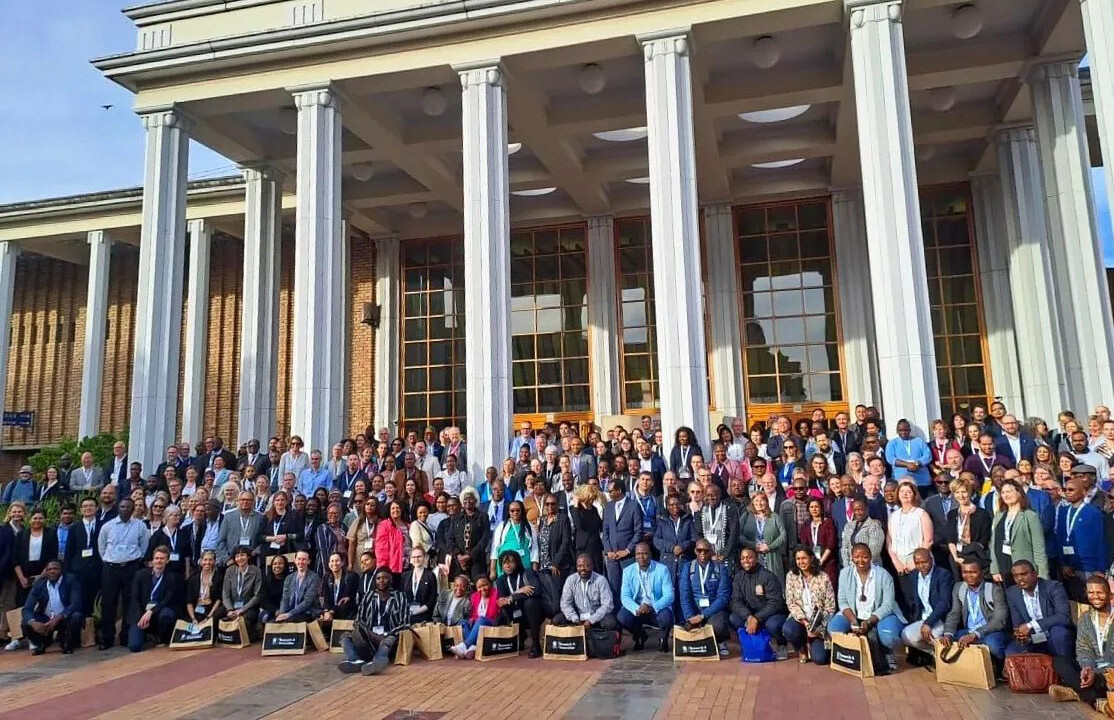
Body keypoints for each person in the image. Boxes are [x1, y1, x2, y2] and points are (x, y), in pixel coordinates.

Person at [830, 543, 906, 674]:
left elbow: (888, 605)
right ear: (851, 558)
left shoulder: (884, 575)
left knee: (889, 636)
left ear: (871, 557)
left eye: (865, 557)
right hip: (854, 614)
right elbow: (842, 602)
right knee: (833, 629)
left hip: (879, 614)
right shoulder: (844, 573)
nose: (861, 561)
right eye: (856, 557)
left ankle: (887, 653)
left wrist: (870, 621)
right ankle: (853, 653)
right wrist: (853, 621)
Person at [1048, 576, 1114, 712]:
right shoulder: (1085, 618)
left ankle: (1078, 693)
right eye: (1091, 592)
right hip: (1094, 672)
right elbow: (1083, 649)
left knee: (1106, 679)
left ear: (1110, 595)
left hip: (1110, 672)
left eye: (1100, 592)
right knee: (1060, 661)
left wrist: (1098, 673)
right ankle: (1098, 701)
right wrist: (1087, 669)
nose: (1095, 596)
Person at [96, 498, 149, 650]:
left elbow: (144, 547)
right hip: (111, 568)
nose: (124, 509)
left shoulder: (140, 527)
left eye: (127, 507)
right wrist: (110, 560)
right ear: (118, 508)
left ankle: (126, 636)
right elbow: (102, 547)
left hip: (131, 568)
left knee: (129, 602)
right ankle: (107, 638)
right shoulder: (108, 526)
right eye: (122, 506)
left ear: (133, 510)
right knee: (108, 603)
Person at [338, 567, 410, 675]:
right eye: (378, 578)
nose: (381, 581)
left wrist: (386, 634)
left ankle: (376, 662)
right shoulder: (368, 596)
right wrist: (371, 635)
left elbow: (405, 623)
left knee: (388, 641)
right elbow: (358, 620)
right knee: (345, 637)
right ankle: (355, 660)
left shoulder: (400, 597)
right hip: (370, 636)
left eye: (385, 578)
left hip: (390, 636)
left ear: (391, 579)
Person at [940, 558, 1009, 669]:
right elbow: (954, 613)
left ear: (981, 573)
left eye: (973, 572)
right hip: (968, 631)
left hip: (989, 632)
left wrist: (975, 634)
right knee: (947, 640)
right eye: (965, 572)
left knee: (993, 645)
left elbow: (999, 620)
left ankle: (1000, 667)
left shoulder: (994, 590)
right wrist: (948, 634)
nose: (969, 576)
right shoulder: (959, 588)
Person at [728, 546, 789, 659]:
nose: (746, 561)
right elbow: (735, 601)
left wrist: (757, 618)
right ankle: (752, 643)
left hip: (769, 615)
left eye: (749, 557)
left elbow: (776, 602)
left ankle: (781, 644)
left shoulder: (768, 576)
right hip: (750, 615)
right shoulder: (738, 577)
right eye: (743, 558)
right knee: (733, 618)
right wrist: (749, 616)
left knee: (774, 624)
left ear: (756, 559)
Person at [1004, 559, 1072, 657]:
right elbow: (1018, 623)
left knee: (1060, 633)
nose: (1020, 579)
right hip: (1033, 637)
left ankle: (1064, 667)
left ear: (1035, 573)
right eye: (1016, 576)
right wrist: (1021, 633)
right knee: (1011, 652)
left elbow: (1064, 617)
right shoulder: (1012, 593)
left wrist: (1031, 625)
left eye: (1024, 574)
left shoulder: (1054, 587)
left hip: (1052, 632)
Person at [1057, 474, 1110, 601]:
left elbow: (1101, 541)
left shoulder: (1093, 512)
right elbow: (1060, 538)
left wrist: (1101, 569)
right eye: (1065, 490)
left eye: (1071, 490)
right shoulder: (1063, 511)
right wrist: (1064, 563)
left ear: (1084, 492)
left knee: (1091, 600)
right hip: (1069, 567)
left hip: (1089, 567)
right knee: (1075, 601)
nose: (1067, 493)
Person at [679, 539, 732, 657]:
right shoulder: (688, 568)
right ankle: (700, 643)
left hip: (714, 609)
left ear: (711, 552)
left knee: (718, 625)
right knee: (687, 627)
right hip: (695, 609)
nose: (703, 553)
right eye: (699, 550)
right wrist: (690, 617)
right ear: (695, 551)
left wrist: (703, 615)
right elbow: (684, 595)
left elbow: (723, 597)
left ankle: (720, 641)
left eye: (706, 551)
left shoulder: (720, 569)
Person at [899, 548, 954, 662]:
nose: (921, 566)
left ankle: (946, 656)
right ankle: (935, 653)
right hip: (922, 619)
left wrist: (929, 622)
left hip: (939, 619)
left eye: (924, 562)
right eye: (917, 563)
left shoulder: (943, 575)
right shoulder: (914, 575)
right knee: (906, 635)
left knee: (934, 636)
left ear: (931, 559)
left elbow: (945, 603)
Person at [989, 479, 1048, 584]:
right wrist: (994, 569)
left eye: (1009, 491)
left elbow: (1039, 548)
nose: (1006, 495)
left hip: (1024, 570)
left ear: (1019, 493)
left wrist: (1042, 576)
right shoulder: (998, 516)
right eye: (1003, 492)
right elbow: (993, 544)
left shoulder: (1030, 516)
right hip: (1004, 568)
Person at [618, 542, 674, 652]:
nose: (641, 557)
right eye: (638, 554)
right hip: (638, 608)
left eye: (645, 554)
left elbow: (669, 595)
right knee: (622, 617)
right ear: (635, 556)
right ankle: (639, 635)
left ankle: (663, 638)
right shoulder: (628, 571)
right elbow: (625, 596)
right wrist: (636, 608)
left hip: (656, 607)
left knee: (667, 617)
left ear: (650, 555)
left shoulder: (662, 569)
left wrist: (652, 607)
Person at [784, 547, 837, 664]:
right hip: (800, 619)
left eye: (804, 558)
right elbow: (791, 602)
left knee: (820, 659)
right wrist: (804, 621)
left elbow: (830, 607)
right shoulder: (791, 576)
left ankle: (813, 643)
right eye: (798, 559)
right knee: (788, 630)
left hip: (819, 623)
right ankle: (801, 646)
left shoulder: (823, 577)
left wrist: (817, 628)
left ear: (811, 558)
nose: (801, 562)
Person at [20, 560, 83, 655]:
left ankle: (67, 643)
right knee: (25, 622)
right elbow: (27, 608)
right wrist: (33, 623)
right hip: (46, 617)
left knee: (76, 616)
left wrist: (59, 617)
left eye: (55, 569)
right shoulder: (39, 585)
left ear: (61, 570)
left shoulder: (71, 580)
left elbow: (76, 603)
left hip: (64, 617)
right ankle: (41, 644)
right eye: (49, 569)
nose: (52, 571)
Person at [127, 545, 181, 651]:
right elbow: (135, 597)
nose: (159, 561)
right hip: (141, 613)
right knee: (134, 647)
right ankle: (146, 635)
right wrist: (142, 616)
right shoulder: (140, 575)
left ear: (167, 560)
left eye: (162, 558)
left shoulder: (172, 577)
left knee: (167, 614)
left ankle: (159, 635)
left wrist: (150, 612)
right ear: (152, 560)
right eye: (157, 558)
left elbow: (167, 599)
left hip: (158, 611)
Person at [494, 550, 545, 658]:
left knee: (531, 603)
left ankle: (536, 645)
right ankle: (518, 636)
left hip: (533, 612)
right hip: (515, 612)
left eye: (511, 562)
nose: (507, 565)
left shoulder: (527, 573)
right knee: (504, 607)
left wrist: (512, 597)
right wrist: (518, 592)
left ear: (517, 563)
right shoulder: (501, 580)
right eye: (504, 563)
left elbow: (535, 591)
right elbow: (503, 600)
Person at [602, 479, 642, 601]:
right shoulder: (608, 507)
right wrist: (609, 551)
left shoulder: (633, 506)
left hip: (628, 557)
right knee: (614, 588)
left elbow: (638, 531)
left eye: (611, 491)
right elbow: (605, 531)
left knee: (629, 589)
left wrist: (627, 550)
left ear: (619, 491)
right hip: (612, 557)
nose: (608, 494)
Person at [555, 554, 618, 630]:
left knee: (610, 623)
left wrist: (591, 620)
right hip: (577, 616)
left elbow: (607, 605)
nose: (583, 569)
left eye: (586, 566)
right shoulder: (571, 580)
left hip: (596, 616)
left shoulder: (601, 580)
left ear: (592, 566)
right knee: (557, 621)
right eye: (580, 566)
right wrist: (575, 618)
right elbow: (565, 603)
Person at [64, 497, 102, 618]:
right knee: (79, 600)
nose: (88, 508)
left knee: (95, 601)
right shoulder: (74, 527)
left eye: (91, 505)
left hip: (97, 569)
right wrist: (68, 571)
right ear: (81, 510)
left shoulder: (103, 526)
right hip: (78, 570)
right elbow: (69, 551)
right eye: (85, 506)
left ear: (96, 508)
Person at [945, 478, 991, 577]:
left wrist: (966, 554)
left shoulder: (982, 514)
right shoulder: (952, 514)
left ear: (969, 492)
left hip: (975, 556)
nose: (960, 495)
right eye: (957, 492)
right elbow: (951, 539)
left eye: (963, 492)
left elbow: (984, 539)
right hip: (956, 557)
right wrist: (956, 557)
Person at [14, 508, 59, 606]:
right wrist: (21, 578)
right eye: (35, 518)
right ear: (29, 519)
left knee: (42, 604)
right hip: (24, 574)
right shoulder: (21, 534)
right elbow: (15, 559)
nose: (37, 521)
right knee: (23, 604)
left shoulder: (51, 534)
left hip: (44, 573)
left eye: (40, 518)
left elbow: (53, 557)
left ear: (45, 520)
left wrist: (41, 576)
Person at [739, 492, 785, 579]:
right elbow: (739, 534)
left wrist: (770, 547)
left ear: (766, 502)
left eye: (762, 500)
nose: (759, 503)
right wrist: (753, 545)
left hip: (772, 555)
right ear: (752, 502)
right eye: (756, 500)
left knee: (773, 581)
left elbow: (783, 535)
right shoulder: (746, 516)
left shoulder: (774, 516)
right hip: (752, 554)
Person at [453, 575, 501, 659]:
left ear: (490, 584)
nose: (483, 589)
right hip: (478, 623)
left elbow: (494, 614)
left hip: (492, 622)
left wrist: (478, 620)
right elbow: (474, 614)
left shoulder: (496, 593)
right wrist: (472, 620)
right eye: (479, 587)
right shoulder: (474, 596)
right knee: (463, 622)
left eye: (485, 585)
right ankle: (472, 647)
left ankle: (465, 645)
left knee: (481, 619)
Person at [447, 488, 489, 581]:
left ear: (476, 500)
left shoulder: (483, 517)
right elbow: (450, 539)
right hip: (459, 560)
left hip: (477, 559)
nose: (468, 501)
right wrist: (459, 555)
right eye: (465, 499)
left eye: (470, 498)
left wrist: (470, 555)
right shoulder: (456, 518)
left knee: (477, 585)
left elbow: (485, 538)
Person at [694, 484, 738, 571]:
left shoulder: (729, 510)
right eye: (708, 495)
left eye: (714, 495)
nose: (711, 498)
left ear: (719, 495)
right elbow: (698, 534)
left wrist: (723, 555)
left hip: (726, 555)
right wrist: (710, 554)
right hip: (707, 555)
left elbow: (734, 534)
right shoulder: (701, 512)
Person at [489, 500, 537, 579]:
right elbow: (495, 549)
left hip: (524, 563)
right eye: (512, 510)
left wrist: (534, 570)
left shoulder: (529, 527)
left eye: (518, 510)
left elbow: (535, 550)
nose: (515, 512)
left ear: (522, 511)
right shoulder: (501, 526)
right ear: (508, 512)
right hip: (505, 564)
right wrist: (493, 570)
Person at [222, 545, 263, 633]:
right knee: (217, 615)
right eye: (237, 556)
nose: (240, 558)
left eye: (242, 555)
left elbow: (258, 595)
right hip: (232, 606)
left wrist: (242, 609)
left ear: (248, 556)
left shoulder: (256, 571)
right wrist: (230, 609)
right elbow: (225, 593)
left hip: (248, 606)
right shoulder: (230, 571)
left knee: (246, 619)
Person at [885, 419, 933, 494]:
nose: (903, 432)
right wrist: (907, 464)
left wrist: (917, 463)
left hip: (922, 481)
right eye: (900, 430)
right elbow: (890, 459)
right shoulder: (892, 443)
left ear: (910, 430)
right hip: (901, 480)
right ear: (897, 431)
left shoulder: (919, 441)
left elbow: (928, 456)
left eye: (906, 430)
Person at [800, 498, 838, 591]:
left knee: (829, 589)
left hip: (828, 562)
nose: (814, 509)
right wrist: (812, 561)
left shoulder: (828, 523)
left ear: (821, 508)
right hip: (812, 563)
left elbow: (831, 544)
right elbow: (804, 545)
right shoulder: (806, 525)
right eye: (811, 507)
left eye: (816, 506)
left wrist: (821, 561)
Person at [274, 550, 322, 622]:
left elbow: (307, 602)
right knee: (274, 622)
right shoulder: (289, 578)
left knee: (291, 620)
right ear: (295, 561)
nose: (301, 562)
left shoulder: (314, 577)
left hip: (308, 611)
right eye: (299, 559)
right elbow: (285, 599)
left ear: (308, 561)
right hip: (290, 611)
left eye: (304, 559)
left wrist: (289, 614)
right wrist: (282, 614)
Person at [217, 491, 263, 566]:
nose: (245, 502)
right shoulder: (228, 517)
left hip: (252, 558)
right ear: (238, 501)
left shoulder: (260, 517)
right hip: (232, 559)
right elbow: (221, 540)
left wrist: (256, 551)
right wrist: (227, 559)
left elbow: (263, 539)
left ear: (253, 502)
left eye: (248, 500)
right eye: (243, 499)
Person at [840, 499, 885, 568]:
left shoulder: (874, 526)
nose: (858, 512)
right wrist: (848, 566)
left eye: (860, 509)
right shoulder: (848, 526)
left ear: (867, 509)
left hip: (871, 567)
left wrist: (861, 566)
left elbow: (874, 551)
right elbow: (845, 547)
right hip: (851, 568)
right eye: (855, 510)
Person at [321, 551, 358, 629]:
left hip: (345, 609)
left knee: (344, 606)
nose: (334, 563)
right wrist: (326, 611)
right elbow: (326, 598)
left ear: (342, 563)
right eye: (332, 561)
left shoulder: (350, 577)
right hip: (332, 610)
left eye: (337, 561)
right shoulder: (327, 577)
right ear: (328, 564)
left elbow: (344, 598)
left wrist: (331, 612)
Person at [185, 549, 223, 624]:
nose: (207, 563)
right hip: (195, 609)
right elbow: (189, 601)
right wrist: (193, 618)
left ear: (214, 561)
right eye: (205, 560)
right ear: (201, 561)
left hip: (211, 609)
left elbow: (219, 599)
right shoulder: (193, 578)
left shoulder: (219, 577)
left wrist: (209, 617)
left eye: (210, 560)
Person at [401, 548, 437, 624]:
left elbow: (432, 599)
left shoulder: (430, 576)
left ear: (424, 557)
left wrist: (418, 611)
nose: (416, 559)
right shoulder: (405, 576)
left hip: (424, 617)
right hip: (407, 616)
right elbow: (401, 596)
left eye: (419, 556)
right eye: (414, 557)